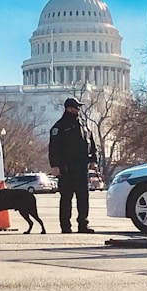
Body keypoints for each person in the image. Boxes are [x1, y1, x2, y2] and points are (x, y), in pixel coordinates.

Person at [49, 97, 98, 233]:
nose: (78, 110)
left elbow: (92, 144)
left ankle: (83, 224)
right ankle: (65, 226)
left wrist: (94, 160)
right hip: (66, 169)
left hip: (82, 168)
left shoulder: (83, 125)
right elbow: (53, 148)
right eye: (76, 107)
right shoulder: (59, 127)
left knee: (83, 198)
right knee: (66, 198)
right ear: (69, 108)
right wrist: (55, 166)